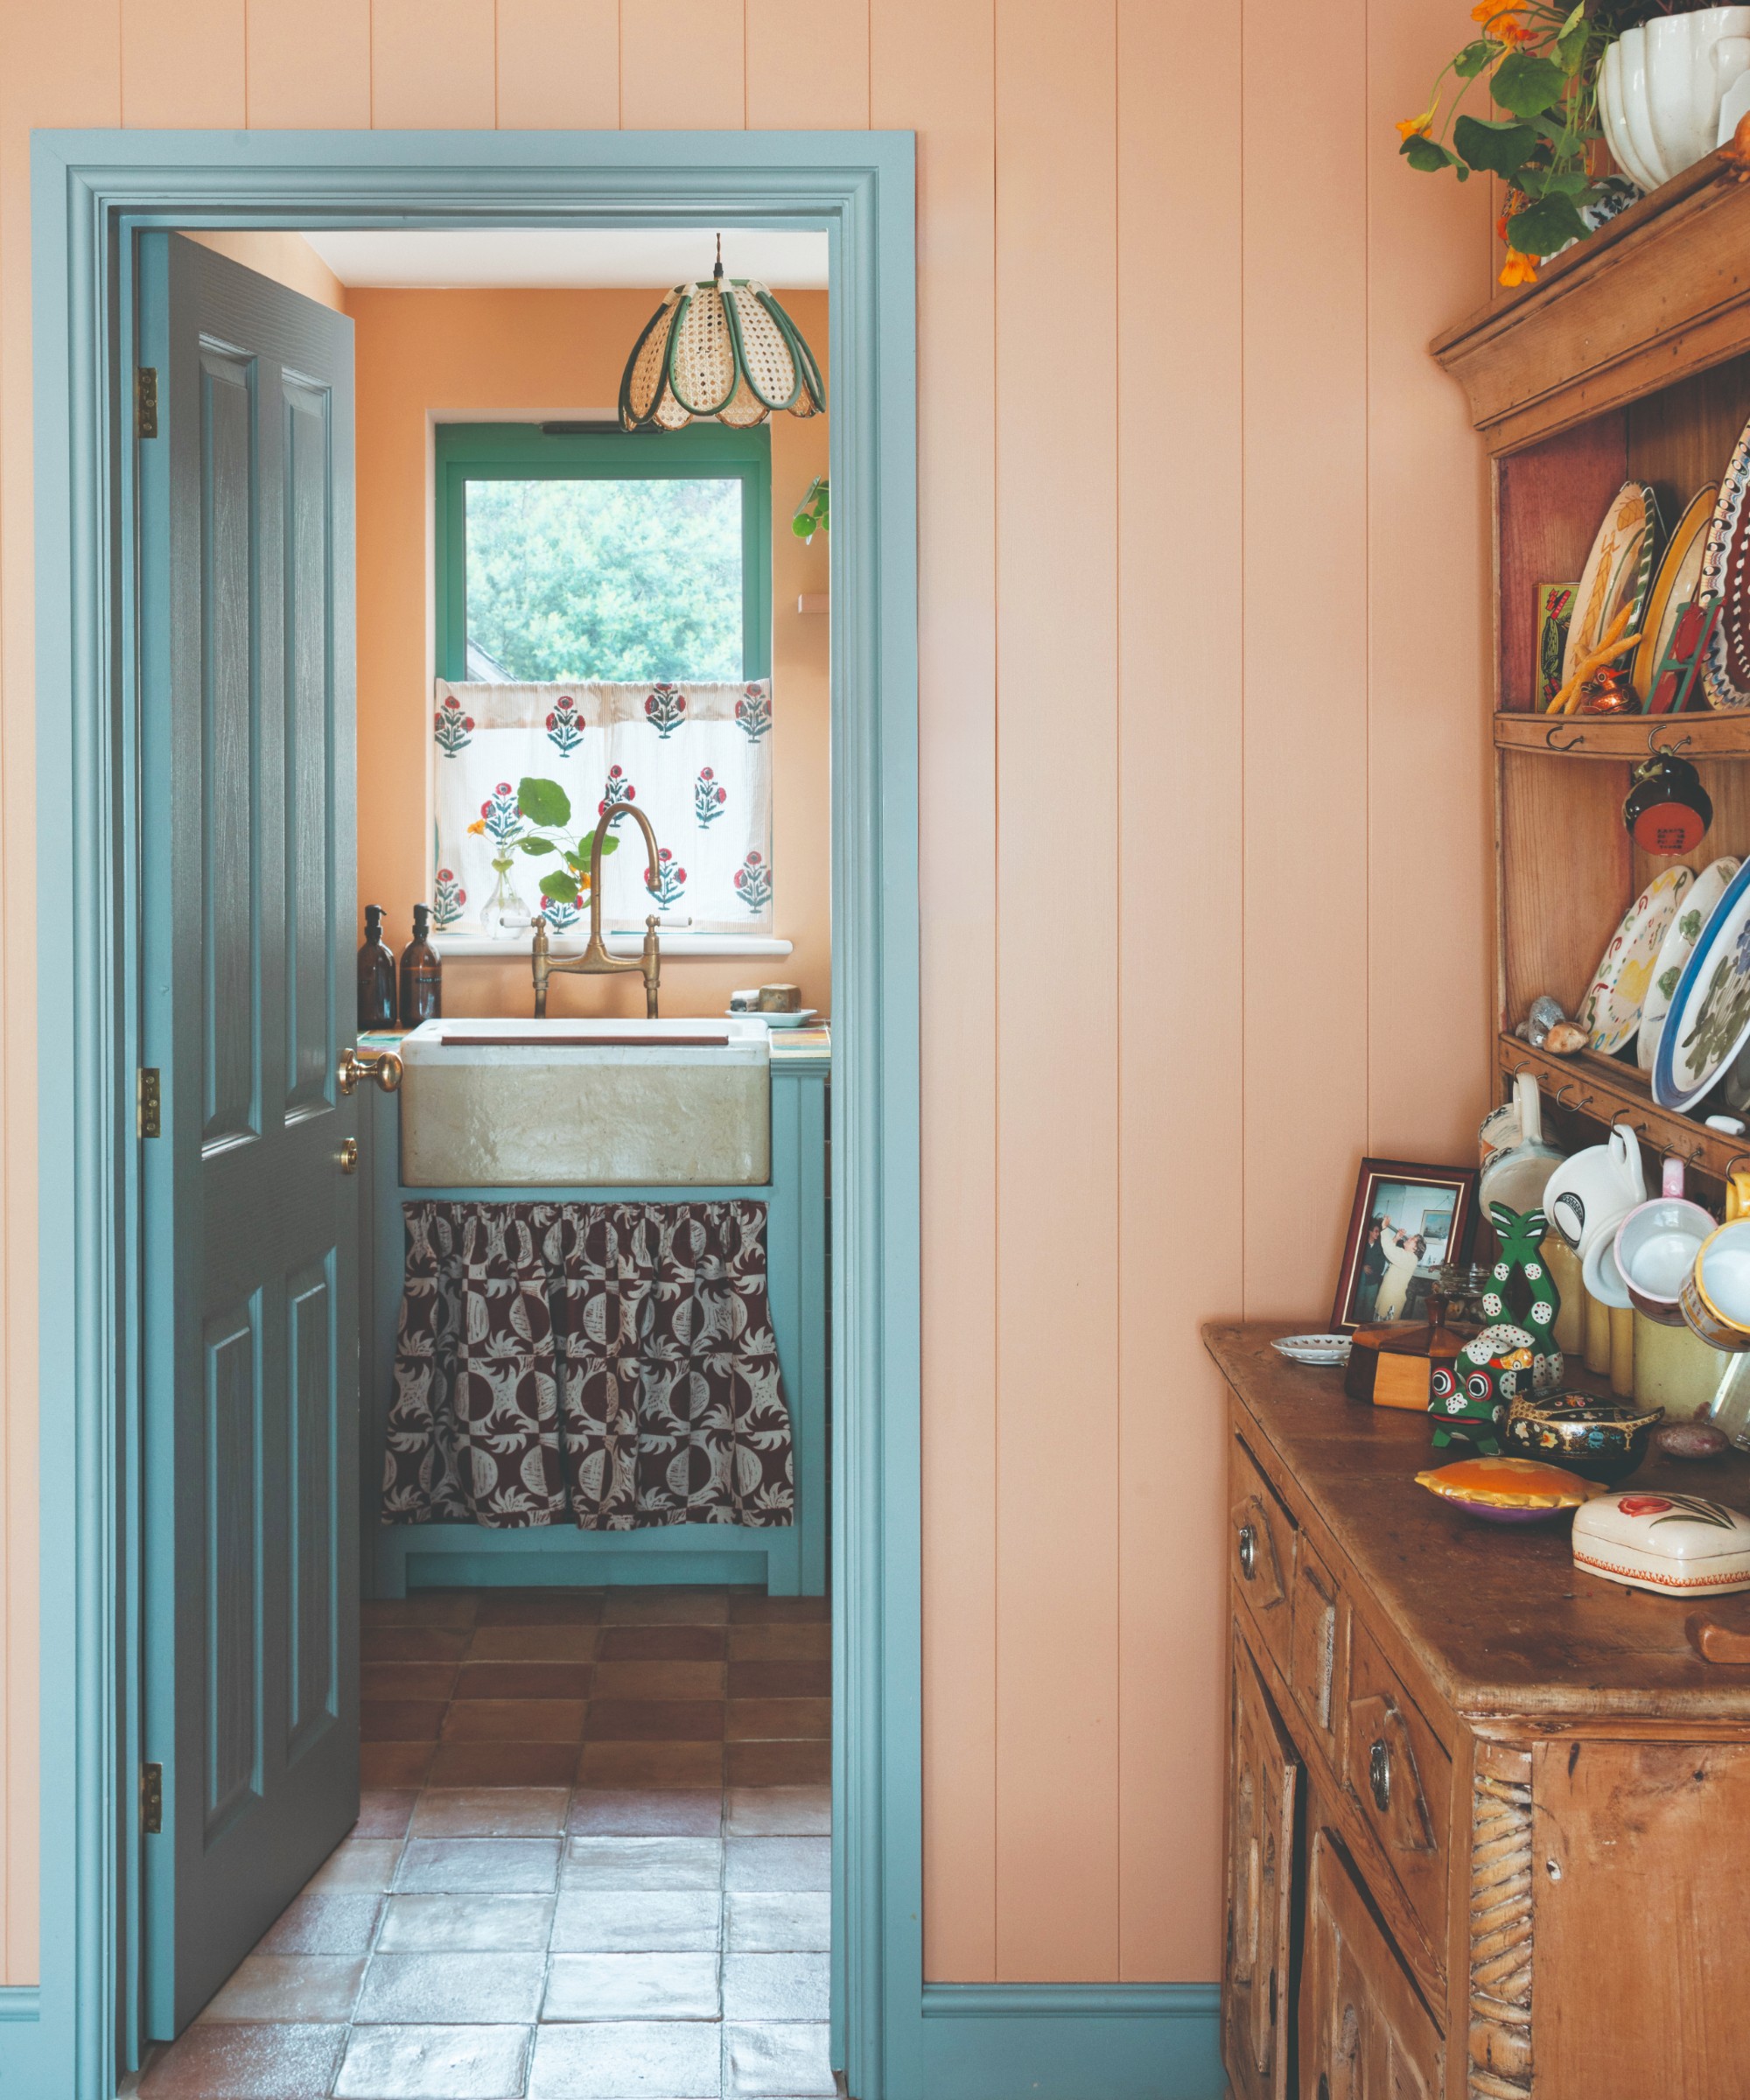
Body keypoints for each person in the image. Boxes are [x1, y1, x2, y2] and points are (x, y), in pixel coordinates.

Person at [1373, 1225, 1423, 1323]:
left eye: (1412, 1239)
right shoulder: (1405, 1254)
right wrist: (1396, 1238)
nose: (1409, 1238)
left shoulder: (1411, 1259)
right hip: (1384, 1299)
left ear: (1416, 1248)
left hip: (1391, 1303)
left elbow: (1389, 1250)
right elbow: (1391, 1250)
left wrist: (1385, 1227)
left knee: (1383, 1335)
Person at [1354, 1220, 1388, 1323]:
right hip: (1360, 1281)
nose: (1378, 1234)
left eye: (1379, 1232)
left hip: (1373, 1283)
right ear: (1369, 1231)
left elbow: (1381, 1266)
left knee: (1369, 1308)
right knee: (1357, 1305)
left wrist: (1376, 1277)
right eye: (1376, 1231)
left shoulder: (1380, 1248)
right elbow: (1353, 1260)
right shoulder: (1361, 1245)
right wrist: (1361, 1267)